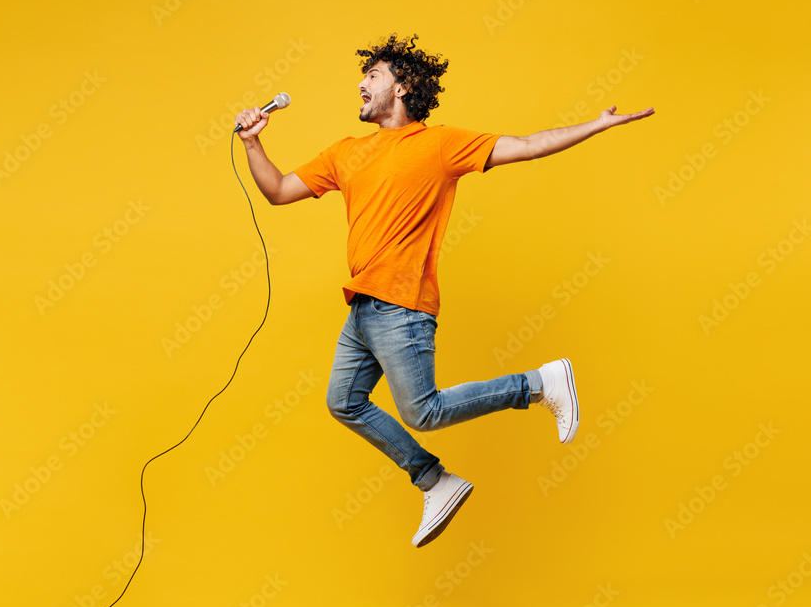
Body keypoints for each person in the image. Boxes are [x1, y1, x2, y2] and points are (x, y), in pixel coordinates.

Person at [234, 33, 654, 548]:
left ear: (404, 88)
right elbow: (278, 191)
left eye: (374, 76)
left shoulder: (439, 144)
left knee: (423, 411)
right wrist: (253, 142)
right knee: (344, 402)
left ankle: (540, 383)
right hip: (362, 306)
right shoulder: (346, 153)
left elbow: (524, 146)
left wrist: (596, 124)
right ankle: (435, 480)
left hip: (401, 305)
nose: (361, 84)